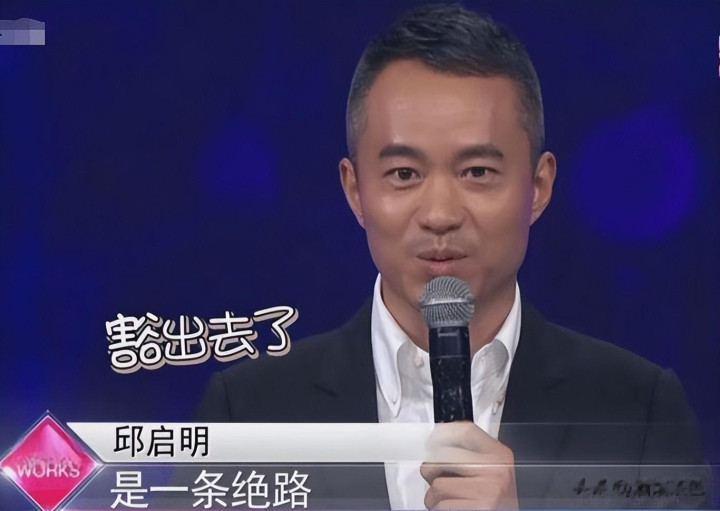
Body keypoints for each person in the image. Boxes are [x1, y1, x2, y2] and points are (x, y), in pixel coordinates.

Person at [196, 3, 706, 509]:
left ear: (538, 187)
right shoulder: (247, 413)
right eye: (404, 174)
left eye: (477, 172)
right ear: (355, 191)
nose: (439, 214)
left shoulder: (640, 413)